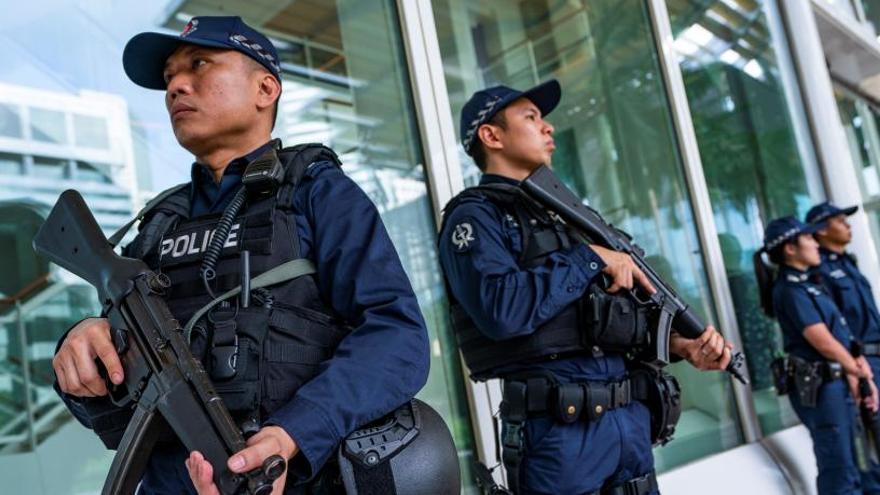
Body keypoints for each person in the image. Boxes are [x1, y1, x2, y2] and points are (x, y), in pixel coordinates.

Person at [50, 16, 430, 494]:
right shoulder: (160, 223)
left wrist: (295, 433)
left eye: (199, 64)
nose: (176, 87)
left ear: (265, 89)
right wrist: (82, 344)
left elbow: (398, 336)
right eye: (169, 78)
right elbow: (115, 385)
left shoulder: (316, 191)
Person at [439, 79, 735, 495]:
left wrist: (684, 347)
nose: (549, 128)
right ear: (491, 136)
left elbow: (604, 322)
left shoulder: (572, 217)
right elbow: (500, 310)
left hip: (627, 423)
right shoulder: (477, 217)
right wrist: (590, 258)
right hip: (559, 432)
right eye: (531, 117)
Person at [754, 216, 878, 494]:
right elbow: (822, 341)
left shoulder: (809, 283)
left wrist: (856, 373)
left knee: (858, 467)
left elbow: (840, 336)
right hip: (822, 388)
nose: (816, 244)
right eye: (809, 239)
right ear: (790, 248)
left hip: (837, 383)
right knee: (840, 472)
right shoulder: (789, 289)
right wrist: (858, 370)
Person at [807, 201, 880, 492]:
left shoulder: (849, 262)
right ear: (822, 230)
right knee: (868, 443)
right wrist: (854, 370)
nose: (847, 225)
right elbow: (833, 327)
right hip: (860, 363)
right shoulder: (819, 270)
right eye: (840, 220)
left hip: (875, 357)